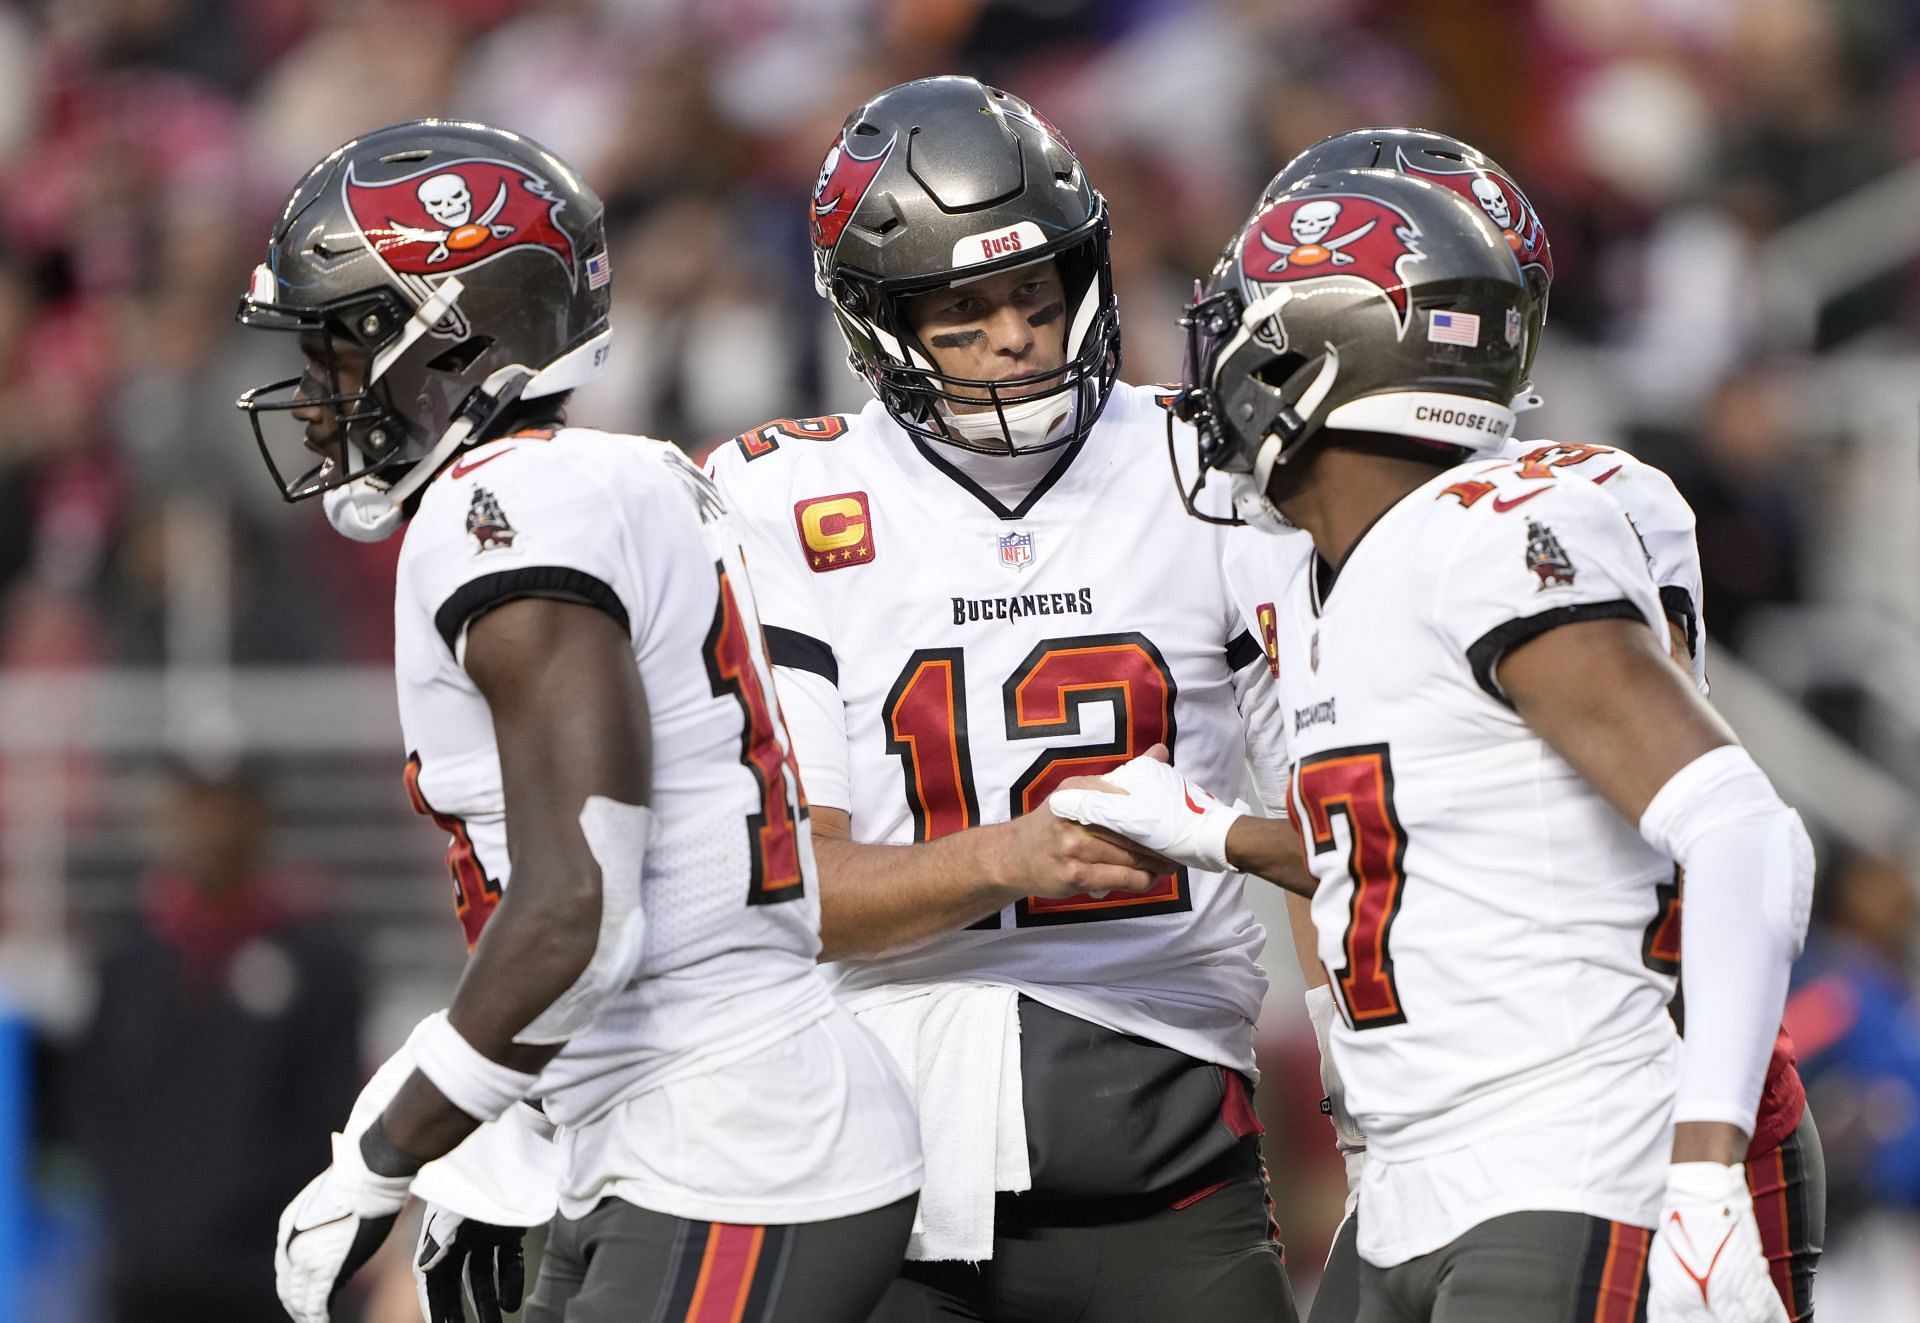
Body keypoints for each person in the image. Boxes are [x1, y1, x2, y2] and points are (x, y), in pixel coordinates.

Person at [1051, 166, 1813, 1322]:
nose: (1206, 376)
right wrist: (1223, 835)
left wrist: (1705, 1170)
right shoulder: (1320, 563)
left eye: (1237, 333)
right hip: (1420, 1165)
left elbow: (1743, 829)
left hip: (1566, 1136)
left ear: (1307, 360)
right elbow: (1437, 843)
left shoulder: (1494, 535)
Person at [238, 118, 921, 1323]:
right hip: (680, 1123)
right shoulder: (621, 474)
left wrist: (385, 1152)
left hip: (733, 1141)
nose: (315, 394)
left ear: (451, 339)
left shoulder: (502, 506)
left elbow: (580, 914)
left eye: (343, 341)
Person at [705, 76, 1299, 1321]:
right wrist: (1007, 859)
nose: (1018, 335)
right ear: (879, 321)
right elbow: (796, 896)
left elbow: (1333, 825)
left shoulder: (1208, 464)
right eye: (965, 310)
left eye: (1038, 293)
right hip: (881, 1151)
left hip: (1169, 1127)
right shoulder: (783, 498)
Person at [69, 755, 363, 1323]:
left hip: (272, 1271)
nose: (214, 827)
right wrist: (138, 1216)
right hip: (149, 1272)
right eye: (199, 806)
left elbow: (331, 1113)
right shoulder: (125, 959)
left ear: (262, 818)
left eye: (231, 806)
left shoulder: (320, 963)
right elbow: (95, 1104)